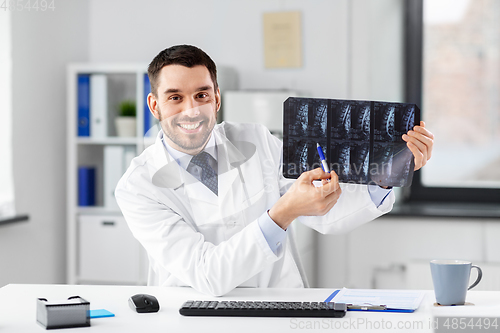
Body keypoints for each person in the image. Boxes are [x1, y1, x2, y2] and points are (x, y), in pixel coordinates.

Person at [115, 45, 434, 296]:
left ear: (217, 99)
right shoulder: (138, 186)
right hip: (192, 314)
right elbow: (207, 274)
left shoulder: (254, 139)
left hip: (279, 307)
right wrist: (281, 213)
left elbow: (325, 213)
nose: (192, 110)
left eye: (201, 95)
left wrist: (386, 175)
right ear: (154, 105)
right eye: (175, 98)